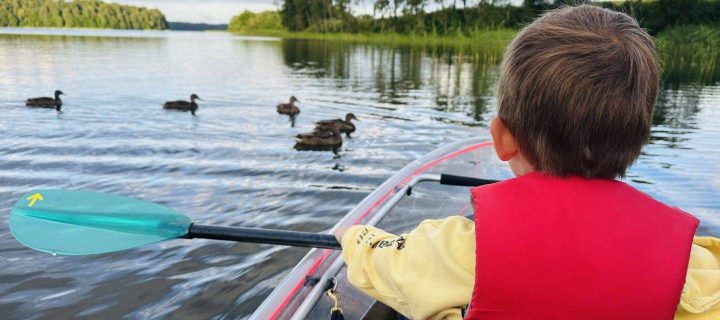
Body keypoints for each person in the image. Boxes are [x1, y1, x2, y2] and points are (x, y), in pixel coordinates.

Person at [335, 5, 720, 320]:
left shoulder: (458, 248)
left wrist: (352, 238)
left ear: (502, 138)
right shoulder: (693, 266)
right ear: (640, 140)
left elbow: (382, 262)